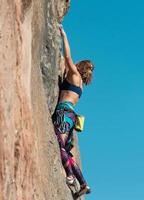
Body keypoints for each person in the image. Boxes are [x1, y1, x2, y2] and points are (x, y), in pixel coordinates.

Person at [52, 25, 94, 196]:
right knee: (67, 152)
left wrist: (63, 35)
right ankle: (84, 183)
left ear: (80, 67)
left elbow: (67, 56)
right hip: (71, 116)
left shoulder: (74, 75)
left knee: (58, 142)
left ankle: (70, 175)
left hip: (63, 113)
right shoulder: (81, 86)